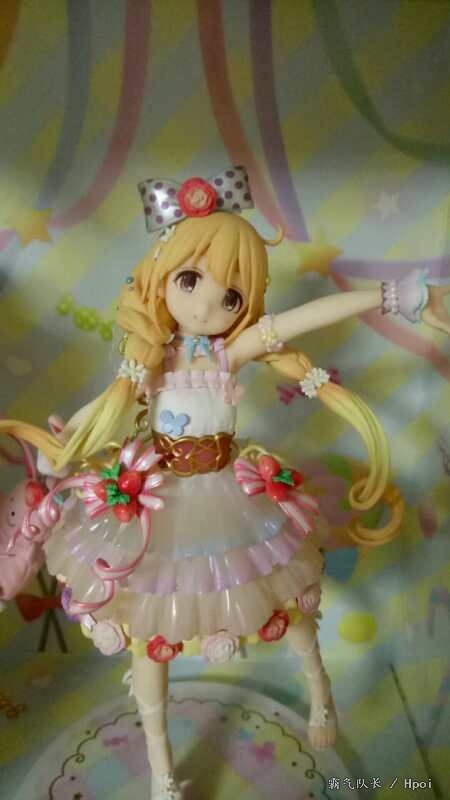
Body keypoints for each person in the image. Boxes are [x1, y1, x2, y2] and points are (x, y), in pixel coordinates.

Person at [1, 168, 449, 800]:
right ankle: (162, 770)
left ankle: (319, 690)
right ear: (164, 276)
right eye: (191, 281)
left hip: (229, 496)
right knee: (149, 636)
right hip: (159, 502)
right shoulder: (148, 362)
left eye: (231, 297)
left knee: (287, 606)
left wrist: (394, 297)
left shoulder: (226, 354)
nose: (209, 306)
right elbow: (106, 407)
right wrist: (61, 446)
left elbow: (301, 318)